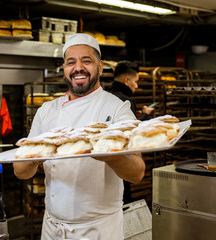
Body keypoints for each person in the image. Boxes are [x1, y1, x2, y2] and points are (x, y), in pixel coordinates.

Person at [13, 33, 145, 240]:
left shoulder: (118, 109)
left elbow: (137, 173)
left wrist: (110, 155)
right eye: (71, 62)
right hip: (53, 228)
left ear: (100, 67)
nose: (78, 68)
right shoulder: (46, 111)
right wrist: (38, 154)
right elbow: (21, 172)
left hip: (99, 230)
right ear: (65, 69)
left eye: (87, 61)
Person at [108, 60, 154, 203]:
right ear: (127, 80)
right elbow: (132, 133)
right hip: (122, 161)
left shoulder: (104, 96)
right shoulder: (126, 101)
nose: (137, 85)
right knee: (122, 201)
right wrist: (145, 117)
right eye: (136, 81)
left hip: (104, 161)